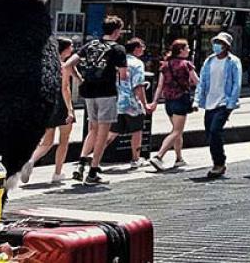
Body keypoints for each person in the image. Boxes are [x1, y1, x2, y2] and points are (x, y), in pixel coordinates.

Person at [73, 17, 129, 184]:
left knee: (93, 129)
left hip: (89, 92)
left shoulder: (90, 45)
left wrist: (80, 78)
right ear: (117, 31)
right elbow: (124, 74)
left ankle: (81, 163)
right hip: (107, 92)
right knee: (103, 134)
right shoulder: (118, 49)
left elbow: (68, 64)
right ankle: (93, 171)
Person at [21, 38, 79, 184]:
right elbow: (65, 88)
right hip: (63, 105)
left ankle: (31, 160)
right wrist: (70, 110)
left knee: (47, 141)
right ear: (64, 49)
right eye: (70, 47)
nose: (72, 49)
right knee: (63, 141)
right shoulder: (64, 66)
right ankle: (57, 173)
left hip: (49, 104)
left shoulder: (47, 64)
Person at [195, 32, 242, 178]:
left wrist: (231, 103)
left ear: (226, 46)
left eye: (220, 43)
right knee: (210, 133)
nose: (217, 45)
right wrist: (197, 100)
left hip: (224, 102)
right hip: (209, 102)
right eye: (216, 42)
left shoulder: (233, 61)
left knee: (215, 130)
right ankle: (217, 160)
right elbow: (202, 82)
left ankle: (219, 163)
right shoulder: (209, 61)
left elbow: (236, 83)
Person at [149, 39, 199, 171]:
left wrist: (154, 101)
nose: (189, 50)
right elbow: (197, 81)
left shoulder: (165, 65)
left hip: (168, 101)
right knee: (176, 131)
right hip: (180, 99)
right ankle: (159, 156)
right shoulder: (186, 64)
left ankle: (179, 158)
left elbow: (160, 86)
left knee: (177, 130)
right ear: (181, 50)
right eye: (187, 48)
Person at [112, 38, 154, 170]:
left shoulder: (119, 61)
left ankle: (95, 155)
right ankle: (136, 158)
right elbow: (138, 86)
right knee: (137, 131)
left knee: (112, 131)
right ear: (136, 48)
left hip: (117, 101)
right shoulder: (137, 64)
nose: (144, 49)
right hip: (132, 103)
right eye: (142, 47)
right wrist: (145, 103)